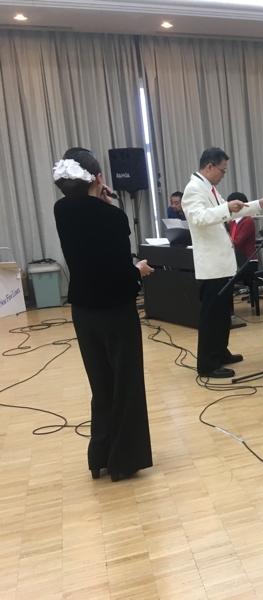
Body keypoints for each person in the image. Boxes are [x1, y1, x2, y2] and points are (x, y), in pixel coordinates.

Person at [53, 147, 154, 482]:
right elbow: (118, 272)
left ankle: (100, 455)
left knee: (101, 384)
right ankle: (124, 460)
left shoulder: (61, 210)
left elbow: (91, 256)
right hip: (115, 311)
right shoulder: (113, 217)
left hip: (83, 311)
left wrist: (99, 198)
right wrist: (138, 270)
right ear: (99, 178)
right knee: (126, 383)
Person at [182, 147, 263, 378]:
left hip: (222, 264)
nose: (224, 175)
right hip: (211, 265)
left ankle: (220, 352)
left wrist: (257, 204)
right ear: (209, 166)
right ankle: (207, 364)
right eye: (222, 170)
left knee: (223, 315)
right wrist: (225, 208)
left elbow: (231, 211)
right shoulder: (193, 189)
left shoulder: (210, 189)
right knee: (211, 316)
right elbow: (198, 218)